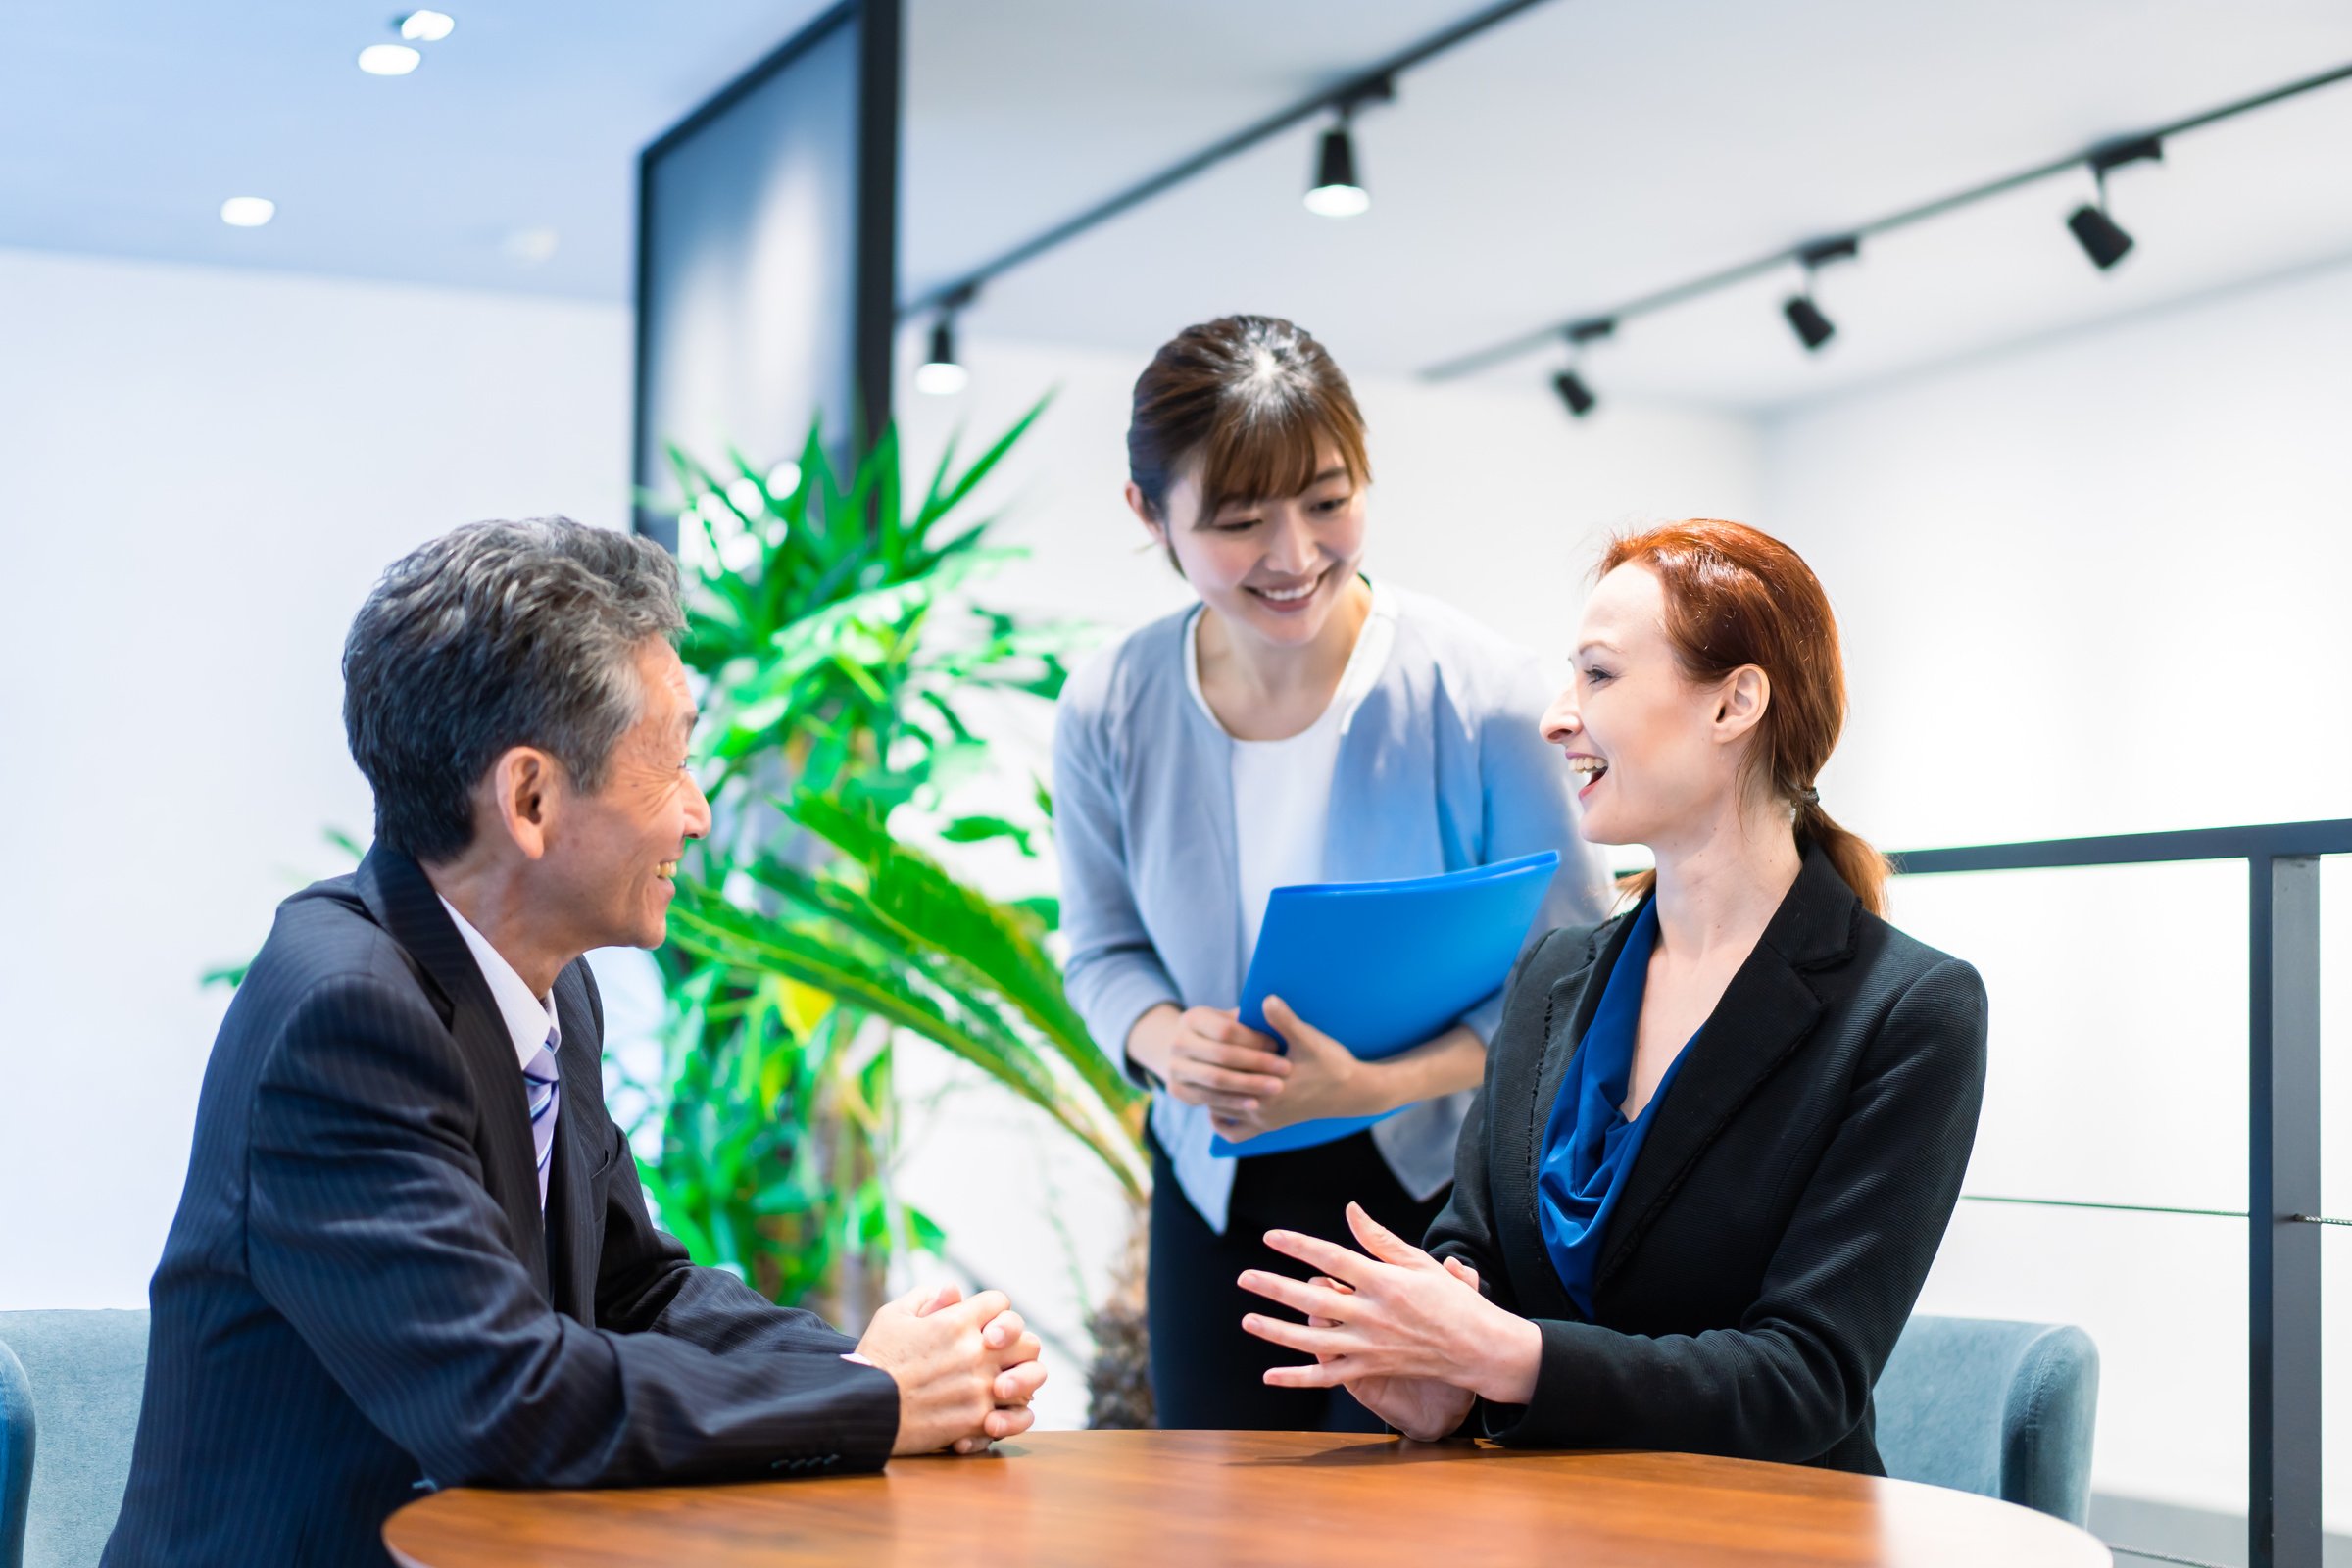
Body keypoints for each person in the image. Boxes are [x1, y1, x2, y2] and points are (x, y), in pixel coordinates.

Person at [106, 519, 1047, 1568]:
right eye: (673, 763)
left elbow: (634, 1292)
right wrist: (870, 1397)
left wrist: (895, 1367)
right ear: (530, 798)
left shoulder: (550, 983)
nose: (697, 813)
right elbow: (507, 1397)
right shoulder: (343, 1012)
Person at [1236, 518, 1988, 1471]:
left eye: (1598, 675)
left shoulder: (1909, 1009)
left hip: (1764, 1533)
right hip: (1538, 1522)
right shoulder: (1553, 973)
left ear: (1735, 703)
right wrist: (1439, 1382)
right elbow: (1474, 1254)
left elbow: (1807, 1379)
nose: (1556, 715)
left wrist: (1512, 1355)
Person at [1054, 315, 1608, 1431]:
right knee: (1209, 1518)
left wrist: (1374, 1085)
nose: (1295, 555)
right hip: (1215, 1186)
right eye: (1239, 521)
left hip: (1433, 1194)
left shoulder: (1485, 695)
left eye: (1327, 500)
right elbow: (1101, 950)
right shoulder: (1110, 704)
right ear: (1147, 513)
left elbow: (1577, 977)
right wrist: (1166, 1041)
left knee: (1417, 1529)